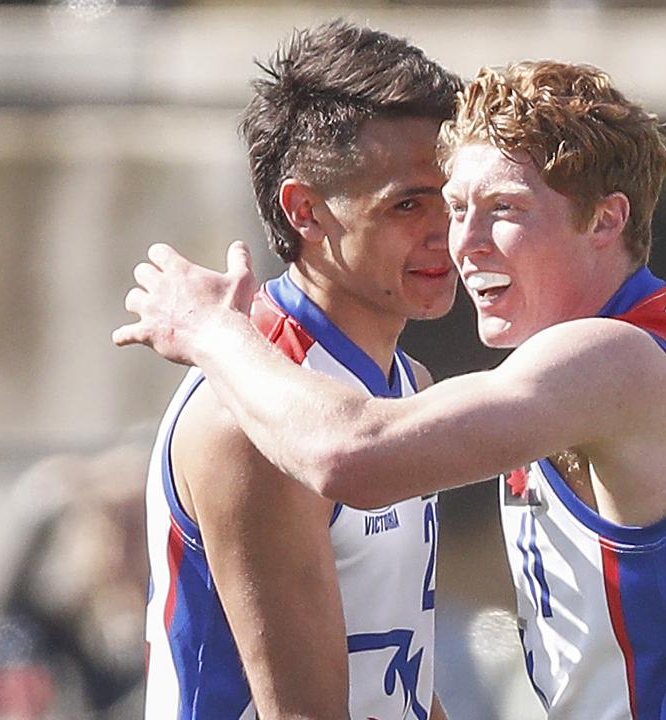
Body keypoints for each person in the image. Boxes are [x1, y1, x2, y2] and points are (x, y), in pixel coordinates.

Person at [117, 60, 666, 718]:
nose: (463, 243)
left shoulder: (607, 359)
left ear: (607, 220)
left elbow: (353, 454)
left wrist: (211, 332)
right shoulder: (663, 344)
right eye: (453, 207)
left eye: (504, 209)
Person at [137, 21, 458, 719]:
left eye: (450, 195)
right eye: (408, 203)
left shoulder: (410, 385)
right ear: (305, 211)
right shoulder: (254, 424)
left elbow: (401, 674)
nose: (446, 228)